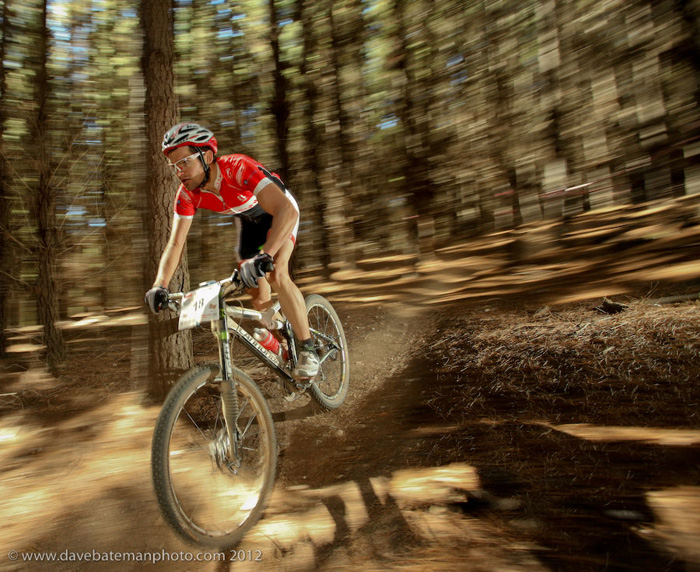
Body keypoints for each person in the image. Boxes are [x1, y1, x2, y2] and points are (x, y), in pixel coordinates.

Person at [145, 122, 319, 380]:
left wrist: (266, 255)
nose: (178, 172)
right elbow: (175, 243)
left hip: (279, 211)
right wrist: (160, 284)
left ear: (206, 156)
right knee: (258, 296)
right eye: (173, 166)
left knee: (277, 275)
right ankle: (282, 342)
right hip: (249, 224)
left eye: (184, 162)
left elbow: (286, 210)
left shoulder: (237, 168)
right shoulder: (187, 194)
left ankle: (308, 349)